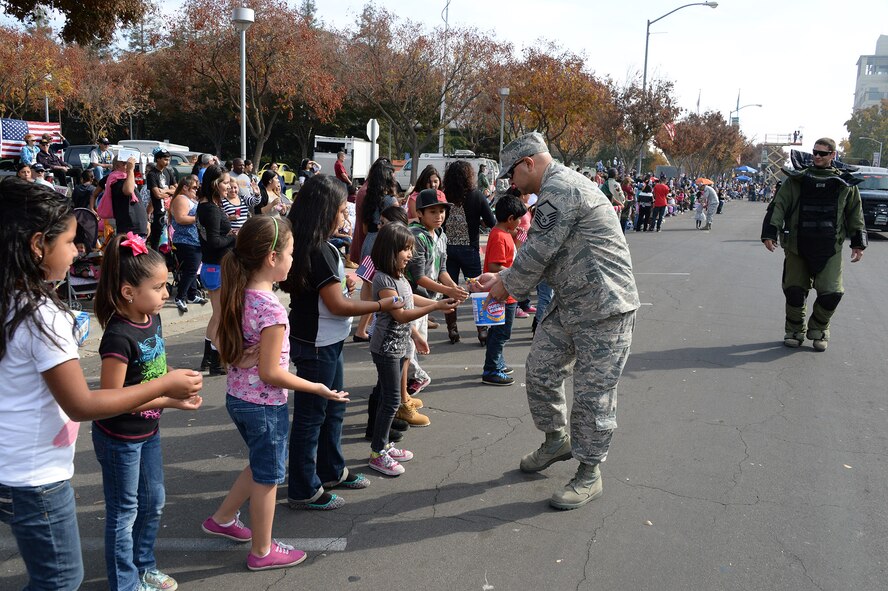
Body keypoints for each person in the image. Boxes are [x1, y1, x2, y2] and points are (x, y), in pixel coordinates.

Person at [0, 177, 201, 591]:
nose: (78, 252)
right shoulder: (41, 316)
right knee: (60, 579)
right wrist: (164, 384)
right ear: (39, 244)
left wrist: (168, 396)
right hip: (34, 475)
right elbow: (85, 404)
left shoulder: (14, 302)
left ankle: (139, 570)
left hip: (17, 467)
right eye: (71, 242)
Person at [475, 132, 639, 510]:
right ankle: (556, 440)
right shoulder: (554, 189)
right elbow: (543, 252)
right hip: (571, 303)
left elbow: (538, 250)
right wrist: (500, 279)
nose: (512, 184)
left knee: (592, 394)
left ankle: (589, 472)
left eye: (512, 174)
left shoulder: (561, 188)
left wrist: (506, 286)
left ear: (529, 163)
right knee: (540, 370)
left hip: (604, 308)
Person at [204, 215, 349, 571]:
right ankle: (262, 550)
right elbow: (271, 373)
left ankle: (222, 518)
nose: (293, 260)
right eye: (290, 253)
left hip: (238, 398)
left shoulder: (237, 292)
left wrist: (236, 354)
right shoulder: (269, 309)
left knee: (259, 464)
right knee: (269, 477)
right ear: (271, 258)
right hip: (263, 406)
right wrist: (316, 386)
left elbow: (215, 336)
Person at [282, 175, 404, 510]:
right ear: (325, 211)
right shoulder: (318, 249)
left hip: (327, 341)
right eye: (340, 210)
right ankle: (304, 488)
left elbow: (332, 299)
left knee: (334, 407)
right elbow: (337, 305)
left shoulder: (320, 246)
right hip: (317, 344)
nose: (345, 216)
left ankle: (331, 470)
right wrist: (380, 305)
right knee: (312, 416)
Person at [92, 233, 203, 591]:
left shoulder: (150, 319)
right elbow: (113, 398)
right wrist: (171, 397)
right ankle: (125, 583)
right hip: (119, 438)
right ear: (128, 292)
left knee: (153, 502)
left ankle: (143, 567)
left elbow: (153, 377)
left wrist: (175, 389)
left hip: (147, 432)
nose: (167, 294)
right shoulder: (118, 336)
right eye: (159, 287)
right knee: (124, 513)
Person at [366, 222, 457, 476]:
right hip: (386, 348)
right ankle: (377, 453)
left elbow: (411, 299)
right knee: (392, 399)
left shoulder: (398, 276)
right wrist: (435, 308)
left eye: (410, 250)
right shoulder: (383, 279)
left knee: (389, 397)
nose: (410, 255)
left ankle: (382, 444)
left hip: (399, 346)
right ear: (389, 250)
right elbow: (402, 314)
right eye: (405, 249)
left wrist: (419, 332)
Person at [761, 138, 866, 352]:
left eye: (823, 153)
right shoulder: (796, 181)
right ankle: (794, 330)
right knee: (794, 291)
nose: (817, 156)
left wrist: (858, 243)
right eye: (815, 152)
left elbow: (855, 213)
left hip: (830, 247)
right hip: (797, 245)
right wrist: (769, 233)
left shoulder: (845, 184)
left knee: (832, 294)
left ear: (832, 155)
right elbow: (778, 206)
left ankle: (819, 329)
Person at [405, 189, 467, 394]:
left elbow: (441, 270)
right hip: (410, 299)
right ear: (420, 213)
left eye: (442, 211)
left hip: (426, 301)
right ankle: (409, 385)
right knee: (408, 346)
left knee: (416, 344)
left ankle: (406, 384)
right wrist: (448, 291)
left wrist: (453, 288)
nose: (439, 216)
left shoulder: (441, 235)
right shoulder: (416, 236)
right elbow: (418, 277)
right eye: (432, 211)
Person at [442, 160, 496, 345]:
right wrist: (479, 221)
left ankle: (453, 330)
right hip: (469, 250)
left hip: (447, 251)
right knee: (477, 289)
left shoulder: (443, 196)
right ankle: (482, 331)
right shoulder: (477, 196)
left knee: (450, 290)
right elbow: (491, 222)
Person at [481, 194, 527, 386]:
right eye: (518, 219)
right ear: (510, 219)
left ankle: (497, 362)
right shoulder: (500, 237)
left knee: (498, 332)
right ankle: (491, 369)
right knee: (501, 333)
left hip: (507, 293)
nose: (519, 223)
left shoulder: (504, 233)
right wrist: (515, 272)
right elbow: (494, 266)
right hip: (502, 294)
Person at [353, 158, 399, 342]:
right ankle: (362, 330)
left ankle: (363, 328)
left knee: (367, 285)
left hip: (368, 243)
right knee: (377, 288)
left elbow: (364, 229)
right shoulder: (389, 200)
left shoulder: (367, 197)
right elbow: (398, 223)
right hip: (380, 246)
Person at [196, 165, 236, 374]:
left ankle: (209, 360)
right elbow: (214, 242)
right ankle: (217, 361)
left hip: (213, 267)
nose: (229, 186)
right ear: (214, 184)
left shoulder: (207, 206)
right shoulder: (210, 209)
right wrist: (233, 236)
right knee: (221, 317)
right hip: (216, 268)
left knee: (217, 316)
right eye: (226, 182)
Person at [170, 175, 206, 312]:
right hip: (185, 241)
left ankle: (192, 294)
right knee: (191, 269)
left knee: (192, 269)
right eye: (194, 188)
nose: (196, 190)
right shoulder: (181, 199)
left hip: (194, 240)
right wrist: (199, 218)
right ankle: (180, 296)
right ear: (185, 187)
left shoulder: (190, 199)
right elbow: (180, 218)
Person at [108, 156, 149, 237]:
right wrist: (130, 170)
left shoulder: (128, 178)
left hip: (139, 225)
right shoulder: (115, 179)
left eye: (129, 164)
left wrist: (146, 222)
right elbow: (128, 191)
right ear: (117, 166)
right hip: (129, 228)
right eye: (125, 164)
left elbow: (138, 202)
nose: (128, 165)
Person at [146, 149, 178, 251]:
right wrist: (169, 191)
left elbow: (177, 189)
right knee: (156, 241)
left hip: (169, 212)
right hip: (158, 213)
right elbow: (157, 194)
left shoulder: (168, 171)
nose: (167, 162)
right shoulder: (152, 174)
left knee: (170, 240)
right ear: (158, 159)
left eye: (168, 159)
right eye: (165, 159)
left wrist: (165, 190)